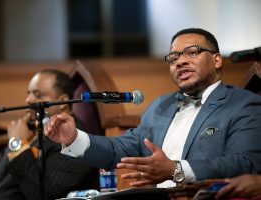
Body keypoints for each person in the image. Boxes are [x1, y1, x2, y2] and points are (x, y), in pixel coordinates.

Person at [44, 28, 261, 188]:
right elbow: (118, 150)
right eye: (173, 57)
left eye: (192, 52)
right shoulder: (160, 106)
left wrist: (176, 169)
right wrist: (74, 139)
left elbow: (244, 163)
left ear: (216, 60)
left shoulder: (243, 104)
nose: (180, 61)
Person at [0, 69, 98, 200]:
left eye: (38, 95)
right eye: (28, 93)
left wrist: (18, 145)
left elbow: (45, 194)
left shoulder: (75, 140)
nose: (28, 99)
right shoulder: (30, 132)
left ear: (63, 101)